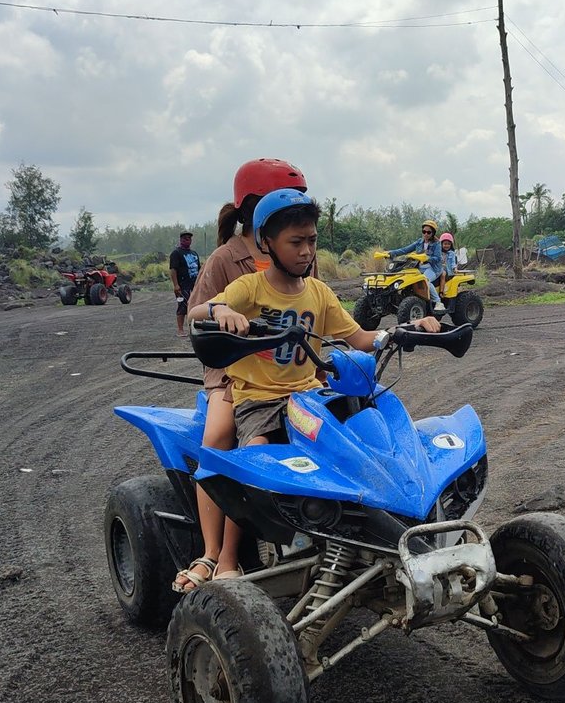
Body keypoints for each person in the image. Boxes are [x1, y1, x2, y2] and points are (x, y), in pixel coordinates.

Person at [188, 189, 440, 576]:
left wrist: (403, 328)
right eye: (296, 242)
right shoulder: (251, 288)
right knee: (253, 457)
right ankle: (226, 559)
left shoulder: (319, 293)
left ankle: (357, 534)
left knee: (361, 446)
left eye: (312, 241)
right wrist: (221, 310)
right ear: (266, 242)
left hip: (308, 398)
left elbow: (358, 337)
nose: (306, 251)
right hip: (259, 399)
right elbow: (199, 312)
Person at [172, 159, 309, 591]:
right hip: (234, 372)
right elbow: (196, 317)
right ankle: (218, 555)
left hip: (292, 371)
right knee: (219, 438)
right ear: (254, 208)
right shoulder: (225, 258)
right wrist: (221, 312)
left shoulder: (300, 248)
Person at [388, 219, 443, 310]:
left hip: (433, 268)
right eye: (424, 231)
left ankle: (438, 302)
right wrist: (390, 253)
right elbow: (405, 250)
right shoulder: (419, 242)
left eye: (428, 232)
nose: (426, 234)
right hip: (419, 267)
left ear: (433, 233)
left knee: (425, 280)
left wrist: (427, 258)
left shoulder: (437, 244)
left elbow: (438, 258)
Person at [169, 231, 201, 337]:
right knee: (182, 307)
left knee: (194, 307)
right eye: (185, 238)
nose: (188, 240)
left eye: (189, 238)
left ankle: (192, 328)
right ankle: (180, 330)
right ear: (181, 240)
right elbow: (173, 270)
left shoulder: (194, 254)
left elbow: (199, 269)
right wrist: (176, 285)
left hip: (194, 285)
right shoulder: (176, 253)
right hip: (182, 285)